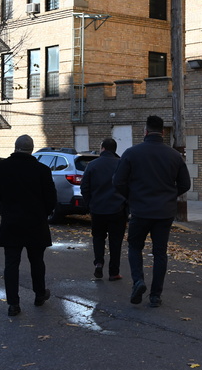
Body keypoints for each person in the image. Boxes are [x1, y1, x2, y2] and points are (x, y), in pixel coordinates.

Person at [113, 115, 191, 307]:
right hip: (164, 212)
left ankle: (138, 281)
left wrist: (131, 197)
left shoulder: (131, 153)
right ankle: (155, 295)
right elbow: (185, 184)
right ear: (163, 132)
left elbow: (118, 182)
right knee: (160, 253)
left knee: (134, 247)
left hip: (140, 210)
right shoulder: (174, 156)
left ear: (145, 131)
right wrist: (170, 195)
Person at [0, 135, 57, 316]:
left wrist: (5, 204)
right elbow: (51, 199)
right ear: (31, 149)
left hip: (11, 222)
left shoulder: (1, 167)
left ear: (15, 147)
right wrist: (42, 213)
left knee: (11, 264)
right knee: (37, 262)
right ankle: (40, 294)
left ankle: (13, 304)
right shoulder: (42, 170)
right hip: (36, 223)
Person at [81, 138, 127, 281]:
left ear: (103, 148)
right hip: (118, 209)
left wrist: (89, 204)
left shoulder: (92, 165)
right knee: (115, 241)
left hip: (98, 209)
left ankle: (99, 262)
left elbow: (84, 187)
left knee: (98, 237)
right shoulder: (121, 164)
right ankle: (114, 272)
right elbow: (129, 186)